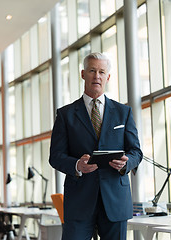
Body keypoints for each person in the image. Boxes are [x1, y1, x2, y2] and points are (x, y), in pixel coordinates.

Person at [49, 52, 143, 240]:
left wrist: (126, 163)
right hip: (79, 202)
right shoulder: (65, 114)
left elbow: (136, 152)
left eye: (101, 71)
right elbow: (56, 156)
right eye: (92, 70)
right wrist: (77, 165)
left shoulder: (123, 112)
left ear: (108, 77)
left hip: (115, 200)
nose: (97, 76)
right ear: (83, 74)